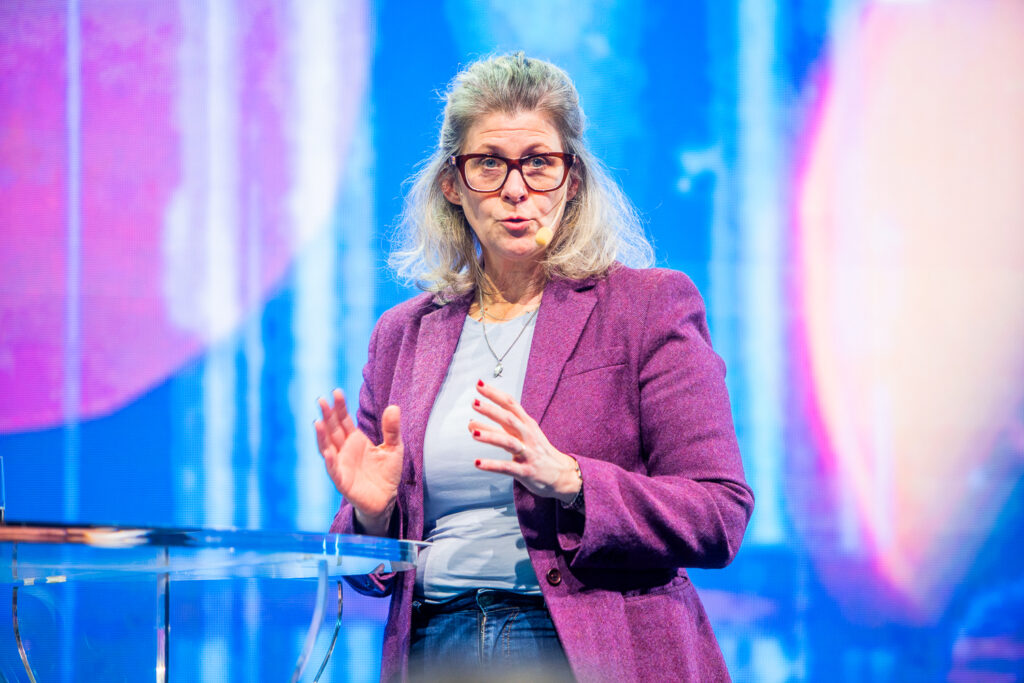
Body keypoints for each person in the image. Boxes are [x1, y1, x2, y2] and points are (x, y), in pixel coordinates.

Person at [315, 53, 753, 682]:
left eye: (539, 163)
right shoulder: (403, 334)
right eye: (489, 163)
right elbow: (366, 571)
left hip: (588, 646)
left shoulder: (646, 306)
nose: (516, 188)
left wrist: (573, 480)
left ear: (571, 179)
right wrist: (371, 515)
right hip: (438, 648)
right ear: (452, 184)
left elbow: (718, 514)